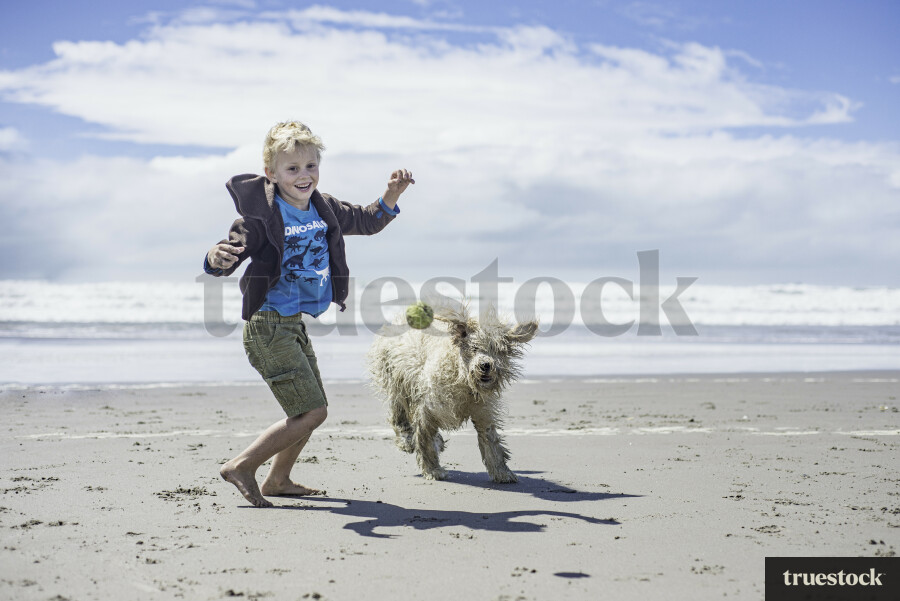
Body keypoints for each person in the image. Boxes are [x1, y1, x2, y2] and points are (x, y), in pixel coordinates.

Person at [203, 120, 414, 507]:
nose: (304, 175)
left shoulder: (324, 207)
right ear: (271, 173)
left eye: (311, 166)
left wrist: (391, 194)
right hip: (267, 327)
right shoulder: (262, 217)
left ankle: (278, 479)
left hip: (292, 325)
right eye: (292, 168)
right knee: (312, 412)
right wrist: (215, 257)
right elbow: (228, 253)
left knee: (311, 408)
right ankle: (241, 466)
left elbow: (366, 220)